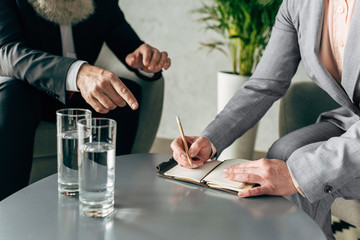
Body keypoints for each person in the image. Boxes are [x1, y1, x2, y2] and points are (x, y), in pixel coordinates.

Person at [171, 0, 360, 239]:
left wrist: (298, 174)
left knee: (301, 167)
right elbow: (264, 84)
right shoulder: (297, 5)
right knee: (283, 152)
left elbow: (301, 171)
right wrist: (210, 139)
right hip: (352, 120)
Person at [0, 0, 171, 201]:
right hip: (29, 93)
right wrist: (77, 73)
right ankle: (7, 206)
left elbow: (129, 46)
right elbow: (8, 52)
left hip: (79, 97)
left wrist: (146, 61)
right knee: (14, 95)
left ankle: (107, 196)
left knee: (124, 96)